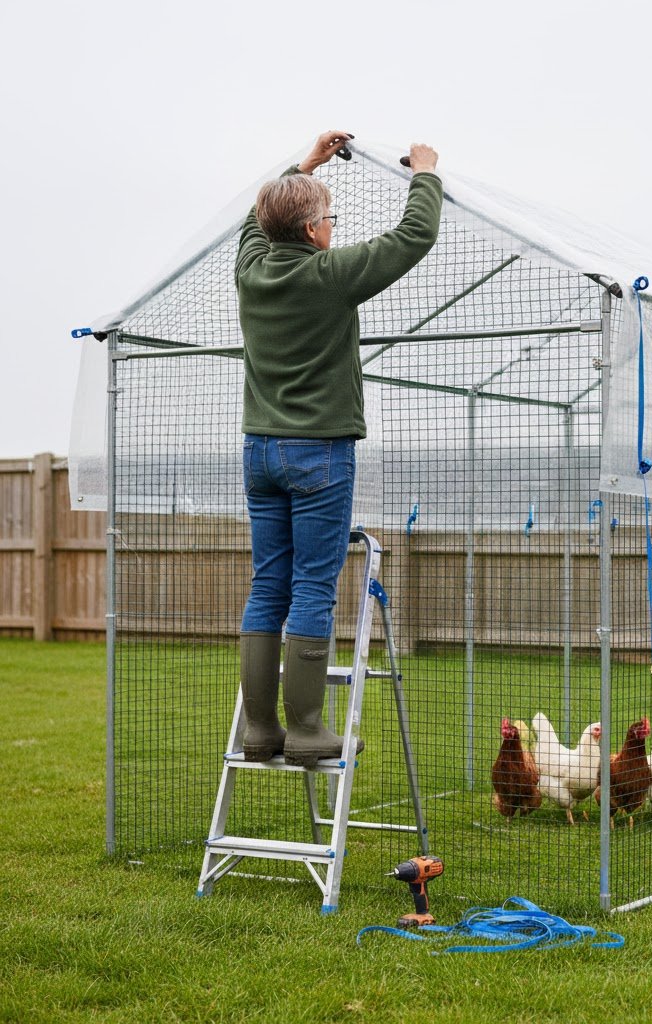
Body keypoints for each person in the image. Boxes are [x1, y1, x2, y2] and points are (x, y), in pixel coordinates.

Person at [235, 129, 442, 768]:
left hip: (260, 453)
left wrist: (306, 164)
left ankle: (260, 729)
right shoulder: (327, 276)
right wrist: (426, 173)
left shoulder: (250, 270)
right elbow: (413, 238)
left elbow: (252, 221)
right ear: (309, 231)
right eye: (330, 216)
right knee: (313, 585)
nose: (335, 225)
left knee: (268, 582)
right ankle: (306, 731)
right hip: (318, 454)